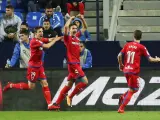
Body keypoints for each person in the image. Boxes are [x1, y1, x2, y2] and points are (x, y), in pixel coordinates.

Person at [3, 26, 63, 110]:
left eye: (42, 31)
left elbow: (48, 39)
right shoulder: (34, 42)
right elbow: (48, 46)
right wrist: (55, 40)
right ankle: (11, 85)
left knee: (45, 83)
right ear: (35, 34)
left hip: (40, 66)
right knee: (30, 87)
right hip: (33, 67)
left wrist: (60, 37)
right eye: (39, 32)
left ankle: (50, 105)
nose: (41, 33)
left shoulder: (39, 40)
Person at [117, 30, 160, 113]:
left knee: (132, 89)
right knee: (133, 90)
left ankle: (123, 97)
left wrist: (121, 65)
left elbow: (119, 55)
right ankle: (121, 108)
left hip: (126, 70)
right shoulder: (141, 47)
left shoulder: (127, 45)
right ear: (141, 37)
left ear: (133, 36)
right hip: (133, 71)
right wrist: (157, 59)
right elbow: (150, 59)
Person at [52, 16, 88, 109]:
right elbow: (65, 28)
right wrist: (70, 19)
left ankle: (56, 103)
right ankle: (70, 96)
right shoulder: (67, 38)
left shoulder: (77, 37)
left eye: (76, 28)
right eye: (73, 28)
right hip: (73, 64)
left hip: (75, 64)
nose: (75, 29)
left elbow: (85, 28)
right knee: (85, 82)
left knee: (69, 84)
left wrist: (82, 19)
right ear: (70, 29)